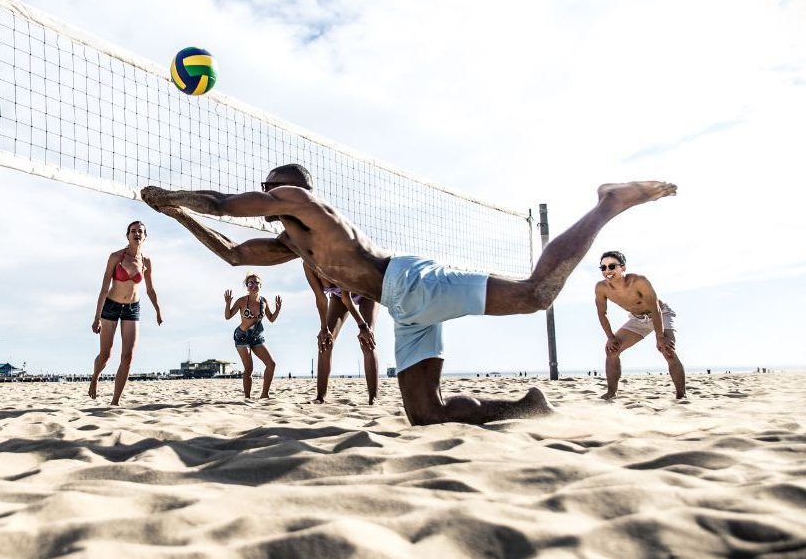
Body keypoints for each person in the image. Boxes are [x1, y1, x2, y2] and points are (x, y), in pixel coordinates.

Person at [141, 164, 677, 425]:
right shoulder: (291, 242)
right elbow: (234, 254)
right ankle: (524, 407)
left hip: (410, 282)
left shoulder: (304, 205)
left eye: (271, 186)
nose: (266, 193)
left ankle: (607, 204)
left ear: (289, 189)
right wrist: (178, 213)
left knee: (537, 294)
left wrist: (178, 194)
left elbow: (226, 203)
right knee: (425, 414)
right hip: (404, 305)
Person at [88, 221, 163, 405]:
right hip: (111, 306)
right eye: (133, 231)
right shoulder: (115, 257)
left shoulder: (146, 262)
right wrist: (97, 317)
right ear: (127, 235)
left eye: (140, 231)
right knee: (106, 355)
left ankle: (115, 401)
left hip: (132, 308)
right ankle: (95, 377)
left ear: (145, 237)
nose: (137, 234)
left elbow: (150, 290)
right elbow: (104, 288)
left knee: (127, 357)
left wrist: (158, 311)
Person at [594, 250, 686, 400]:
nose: (607, 271)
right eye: (603, 268)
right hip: (637, 319)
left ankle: (681, 396)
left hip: (660, 314)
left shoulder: (639, 281)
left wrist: (660, 336)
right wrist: (610, 337)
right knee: (611, 350)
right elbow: (602, 313)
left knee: (667, 349)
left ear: (622, 268)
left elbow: (655, 308)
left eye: (611, 266)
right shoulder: (601, 288)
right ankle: (611, 393)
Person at [304, 264, 378, 404]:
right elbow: (321, 299)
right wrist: (324, 329)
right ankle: (321, 397)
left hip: (367, 290)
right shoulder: (307, 265)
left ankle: (373, 398)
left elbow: (347, 297)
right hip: (339, 297)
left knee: (367, 340)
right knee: (325, 341)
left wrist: (363, 327)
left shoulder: (334, 256)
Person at [224, 273, 282, 398]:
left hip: (256, 336)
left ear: (260, 285)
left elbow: (271, 319)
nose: (253, 285)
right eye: (250, 283)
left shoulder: (263, 301)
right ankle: (247, 398)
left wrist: (277, 310)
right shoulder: (242, 301)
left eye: (256, 283)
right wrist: (228, 303)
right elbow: (228, 316)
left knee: (271, 364)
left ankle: (264, 395)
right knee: (249, 369)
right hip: (242, 336)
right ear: (247, 286)